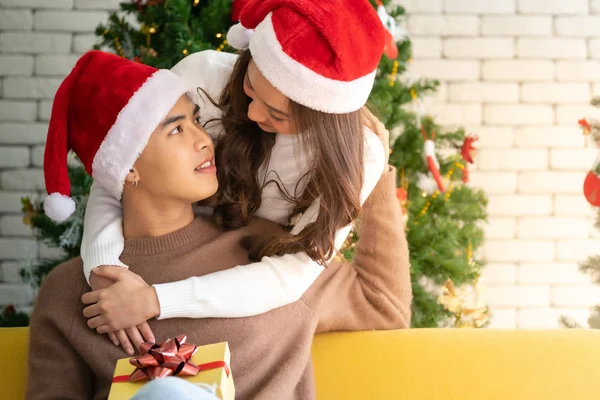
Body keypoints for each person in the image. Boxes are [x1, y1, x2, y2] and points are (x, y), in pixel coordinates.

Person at [27, 50, 411, 400]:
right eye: (177, 129)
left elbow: (383, 304)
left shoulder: (265, 252)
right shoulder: (73, 292)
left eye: (197, 121)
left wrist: (364, 169)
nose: (205, 140)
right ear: (127, 168)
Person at [74, 0, 393, 354]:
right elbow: (118, 163)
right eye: (250, 88)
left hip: (254, 290)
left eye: (276, 114)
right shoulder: (203, 76)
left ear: (322, 119)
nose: (253, 112)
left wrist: (156, 300)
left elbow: (291, 275)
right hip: (177, 251)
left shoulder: (358, 158)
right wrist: (102, 263)